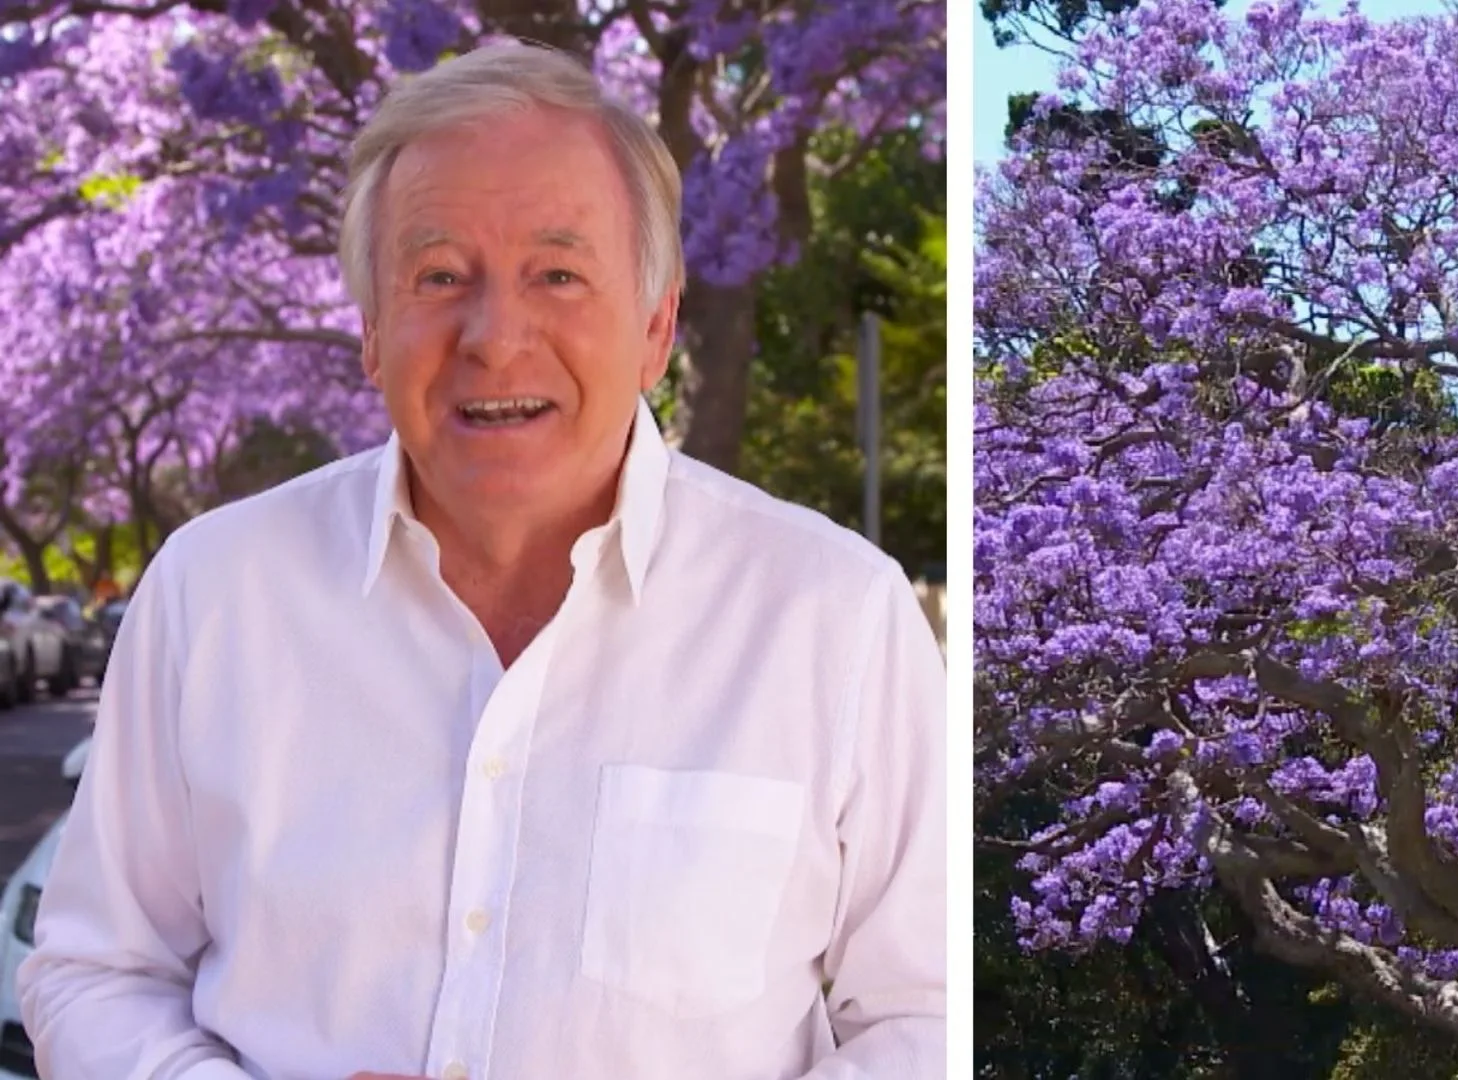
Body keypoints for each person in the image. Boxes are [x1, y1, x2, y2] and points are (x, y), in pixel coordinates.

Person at [18, 41, 944, 1080]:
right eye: (440, 276)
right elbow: (95, 969)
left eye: (558, 273)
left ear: (655, 325)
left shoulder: (835, 617)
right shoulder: (215, 593)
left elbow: (929, 1018)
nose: (497, 337)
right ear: (372, 333)